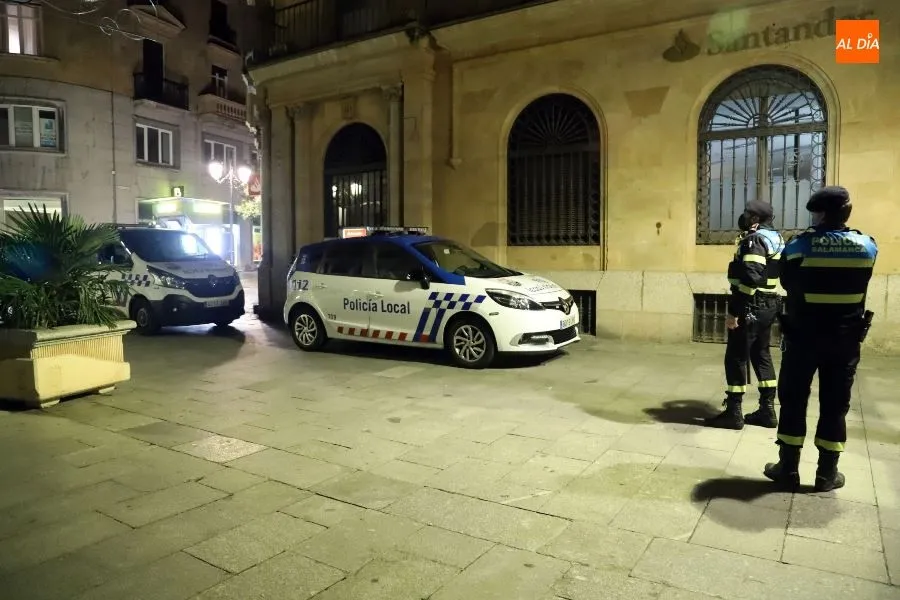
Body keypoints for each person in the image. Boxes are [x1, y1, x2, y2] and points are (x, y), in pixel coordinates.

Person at [763, 186, 877, 491]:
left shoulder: (800, 246)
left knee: (793, 400)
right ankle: (827, 474)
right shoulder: (866, 246)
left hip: (804, 337)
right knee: (835, 404)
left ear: (820, 213)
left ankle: (788, 469)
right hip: (844, 340)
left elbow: (786, 280)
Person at [705, 200, 785, 430]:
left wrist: (735, 311)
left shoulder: (755, 239)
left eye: (746, 214)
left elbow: (751, 277)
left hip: (751, 304)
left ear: (754, 219)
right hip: (769, 303)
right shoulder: (777, 238)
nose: (743, 217)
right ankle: (767, 411)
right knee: (762, 355)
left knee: (736, 356)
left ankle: (734, 412)